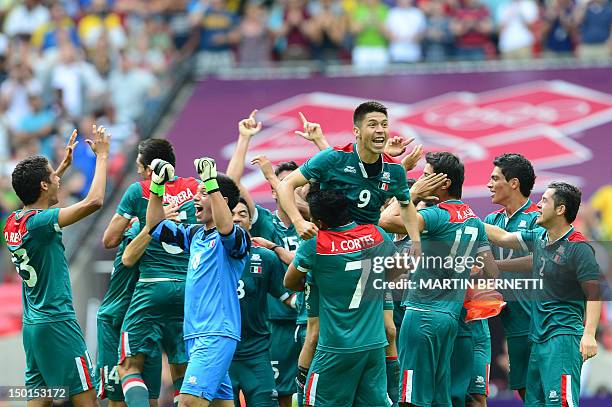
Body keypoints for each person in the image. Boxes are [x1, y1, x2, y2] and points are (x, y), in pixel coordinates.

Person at [278, 103, 422, 406]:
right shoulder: (333, 159)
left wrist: (416, 243)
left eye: (384, 123)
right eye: (372, 124)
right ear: (356, 131)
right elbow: (287, 185)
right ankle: (305, 385)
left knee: (387, 329)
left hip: (367, 248)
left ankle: (388, 392)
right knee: (316, 329)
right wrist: (300, 221)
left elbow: (407, 205)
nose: (380, 129)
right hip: (328, 249)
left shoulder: (393, 171)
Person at [379, 152, 498, 407]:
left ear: (443, 183)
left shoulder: (437, 216)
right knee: (439, 398)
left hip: (422, 315)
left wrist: (413, 193)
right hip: (451, 319)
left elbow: (385, 220)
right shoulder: (475, 221)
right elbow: (492, 272)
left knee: (411, 398)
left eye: (425, 176)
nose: (421, 180)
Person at [3, 126, 109, 407]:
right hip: (58, 323)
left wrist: (59, 169)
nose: (58, 179)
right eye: (53, 177)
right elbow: (95, 201)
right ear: (43, 186)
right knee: (87, 399)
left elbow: (35, 201)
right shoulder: (40, 224)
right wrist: (102, 157)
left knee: (40, 401)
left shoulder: (13, 222)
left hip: (33, 327)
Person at [484, 182, 602, 406]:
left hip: (563, 338)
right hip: (537, 340)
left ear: (560, 209)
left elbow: (594, 293)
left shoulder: (579, 248)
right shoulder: (540, 237)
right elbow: (503, 238)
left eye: (545, 200)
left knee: (562, 403)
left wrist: (589, 334)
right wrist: (468, 221)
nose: (538, 204)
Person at [103, 139, 200, 407]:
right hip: (188, 288)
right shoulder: (194, 188)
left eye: (138, 165)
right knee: (181, 368)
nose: (136, 170)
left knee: (129, 366)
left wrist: (142, 223)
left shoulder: (139, 191)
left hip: (152, 286)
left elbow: (110, 239)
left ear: (149, 170)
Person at [146, 157, 250, 407]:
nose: (195, 197)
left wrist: (211, 183)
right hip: (195, 335)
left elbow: (226, 229)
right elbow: (155, 226)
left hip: (215, 334)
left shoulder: (238, 237)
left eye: (202, 193)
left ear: (221, 200)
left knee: (187, 403)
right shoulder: (194, 234)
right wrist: (157, 187)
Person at [284, 188, 398, 406]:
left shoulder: (316, 244)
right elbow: (397, 268)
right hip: (374, 345)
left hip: (336, 348)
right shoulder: (376, 234)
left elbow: (289, 282)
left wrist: (320, 282)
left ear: (318, 220)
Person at [225, 111, 305, 407]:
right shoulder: (264, 223)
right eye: (285, 184)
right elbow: (231, 188)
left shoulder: (316, 224)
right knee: (280, 395)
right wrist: (245, 139)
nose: (291, 188)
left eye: (297, 183)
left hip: (312, 320)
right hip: (275, 325)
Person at [96, 207, 180, 406]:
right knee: (118, 400)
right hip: (115, 322)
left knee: (151, 398)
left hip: (146, 322)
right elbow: (120, 252)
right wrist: (154, 224)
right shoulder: (137, 231)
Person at [483, 153, 539, 400]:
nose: (489, 184)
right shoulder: (490, 221)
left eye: (495, 178)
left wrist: (498, 265)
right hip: (510, 324)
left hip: (539, 322)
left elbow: (542, 261)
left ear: (513, 183)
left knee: (547, 393)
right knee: (525, 391)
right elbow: (487, 270)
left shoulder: (540, 219)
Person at [229, 198, 295, 406]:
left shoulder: (265, 258)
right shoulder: (211, 253)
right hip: (223, 352)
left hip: (256, 353)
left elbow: (288, 298)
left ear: (250, 221)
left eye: (243, 214)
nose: (237, 218)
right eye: (232, 213)